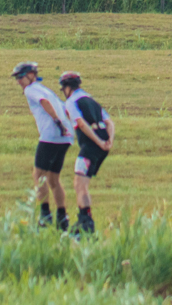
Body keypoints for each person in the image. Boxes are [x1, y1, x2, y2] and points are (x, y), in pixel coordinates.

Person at [11, 61, 72, 229]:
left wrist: (56, 121)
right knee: (53, 178)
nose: (19, 81)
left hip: (50, 136)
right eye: (17, 78)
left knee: (38, 175)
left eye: (21, 77)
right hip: (65, 138)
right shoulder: (46, 89)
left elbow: (44, 102)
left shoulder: (31, 90)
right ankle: (62, 217)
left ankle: (45, 216)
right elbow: (66, 109)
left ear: (31, 75)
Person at [58, 71, 113, 235]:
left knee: (79, 184)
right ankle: (85, 220)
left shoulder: (71, 102)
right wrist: (109, 141)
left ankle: (85, 223)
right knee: (82, 184)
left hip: (90, 146)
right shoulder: (90, 99)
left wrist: (98, 142)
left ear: (67, 88)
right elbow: (110, 123)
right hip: (102, 145)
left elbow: (81, 124)